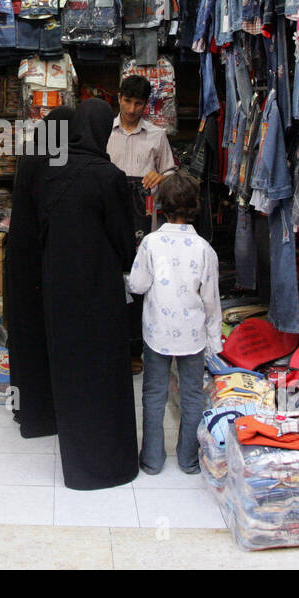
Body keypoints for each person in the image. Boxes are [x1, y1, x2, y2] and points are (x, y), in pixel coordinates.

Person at [38, 99, 139, 489]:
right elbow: (121, 239)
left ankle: (78, 466)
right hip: (98, 289)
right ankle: (110, 463)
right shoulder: (107, 175)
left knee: (71, 370)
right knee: (104, 370)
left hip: (59, 287)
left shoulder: (51, 172)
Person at [126, 172, 221, 475]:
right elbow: (211, 301)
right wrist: (215, 342)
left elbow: (138, 286)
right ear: (195, 205)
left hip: (157, 333)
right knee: (193, 395)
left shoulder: (151, 244)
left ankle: (152, 460)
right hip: (193, 337)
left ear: (160, 206)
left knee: (154, 394)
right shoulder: (205, 249)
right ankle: (188, 459)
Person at [4, 105, 74, 439]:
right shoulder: (52, 164)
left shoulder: (32, 155)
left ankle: (25, 410)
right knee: (42, 338)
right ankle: (44, 413)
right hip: (39, 261)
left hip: (20, 261)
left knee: (23, 338)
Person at [106, 73, 178, 373]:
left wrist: (160, 177)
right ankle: (108, 346)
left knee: (139, 280)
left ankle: (135, 348)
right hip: (109, 212)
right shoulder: (104, 133)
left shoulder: (157, 136)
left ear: (146, 105)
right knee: (109, 275)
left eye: (138, 103)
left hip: (142, 219)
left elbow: (173, 173)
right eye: (127, 101)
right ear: (118, 98)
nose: (132, 109)